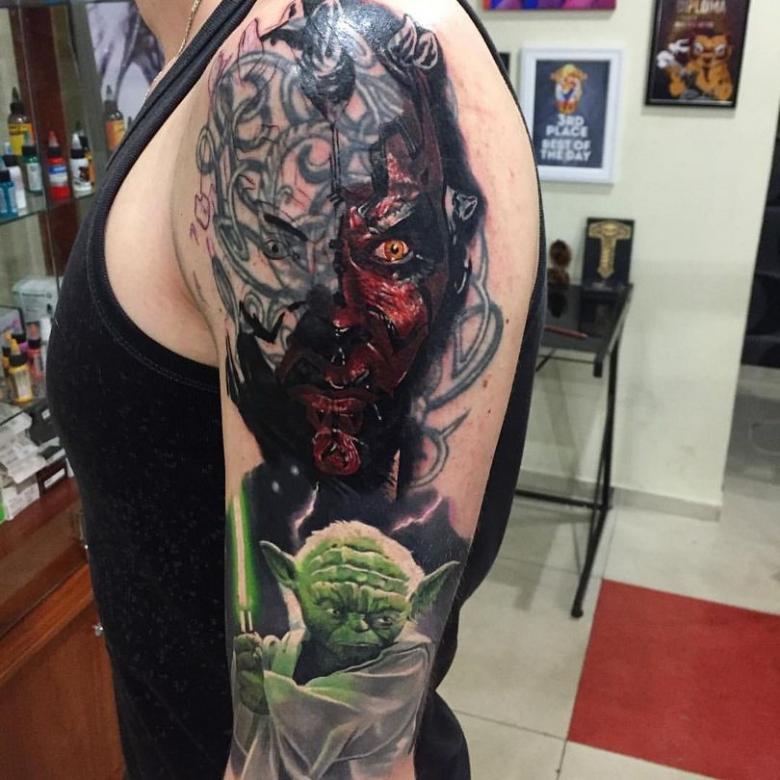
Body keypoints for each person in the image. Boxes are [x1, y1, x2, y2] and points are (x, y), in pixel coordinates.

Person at [47, 0, 544, 777]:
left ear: (457, 235)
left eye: (390, 251)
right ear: (219, 224)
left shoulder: (339, 35)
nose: (338, 319)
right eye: (284, 247)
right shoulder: (214, 51)